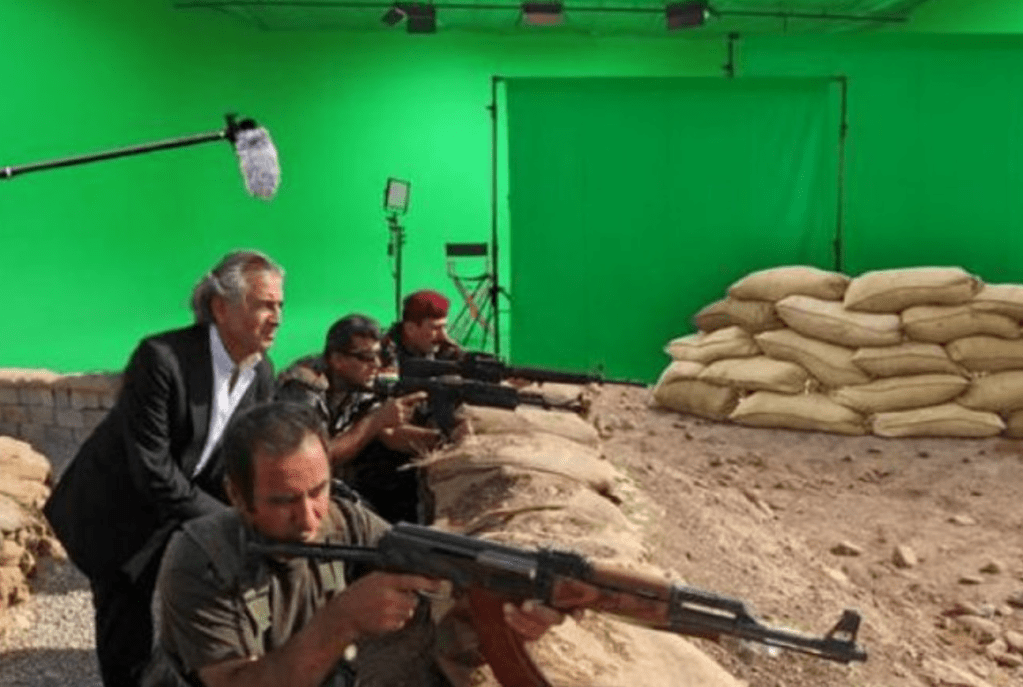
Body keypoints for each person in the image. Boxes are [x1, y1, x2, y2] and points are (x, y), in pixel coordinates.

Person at [146, 401, 564, 687]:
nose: (309, 518)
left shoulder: (344, 521)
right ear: (236, 496)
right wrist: (341, 621)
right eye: (284, 501)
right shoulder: (201, 558)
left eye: (318, 491)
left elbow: (433, 571)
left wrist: (499, 604)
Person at [43, 250, 285, 687]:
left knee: (199, 609)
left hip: (181, 509)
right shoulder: (161, 359)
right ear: (221, 307)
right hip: (116, 512)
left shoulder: (261, 373)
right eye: (265, 305)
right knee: (126, 628)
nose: (277, 318)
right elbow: (152, 469)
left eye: (280, 305)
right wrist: (232, 522)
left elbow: (242, 457)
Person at [276, 314, 441, 523]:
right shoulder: (303, 386)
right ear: (337, 360)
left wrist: (443, 439)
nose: (376, 364)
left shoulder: (358, 383)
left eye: (379, 355)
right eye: (366, 357)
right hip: (292, 492)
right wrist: (376, 420)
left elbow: (389, 435)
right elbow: (309, 461)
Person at [380, 290, 462, 372]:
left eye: (444, 327)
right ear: (410, 329)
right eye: (435, 328)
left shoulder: (447, 351)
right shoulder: (381, 355)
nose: (443, 336)